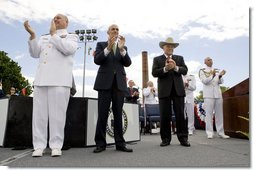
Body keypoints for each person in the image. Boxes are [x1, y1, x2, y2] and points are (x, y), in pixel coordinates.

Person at [24, 14, 78, 157]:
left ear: (66, 22)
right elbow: (35, 53)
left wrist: (54, 34)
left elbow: (67, 49)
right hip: (42, 80)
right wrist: (33, 35)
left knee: (57, 116)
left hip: (60, 81)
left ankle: (56, 145)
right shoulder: (43, 37)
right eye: (54, 17)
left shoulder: (71, 37)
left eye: (59, 18)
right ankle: (39, 146)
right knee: (39, 116)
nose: (56, 19)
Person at [93, 24, 133, 153]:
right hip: (104, 84)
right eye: (113, 29)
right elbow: (97, 60)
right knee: (102, 114)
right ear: (108, 32)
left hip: (119, 85)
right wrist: (108, 48)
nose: (115, 31)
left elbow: (127, 63)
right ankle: (100, 143)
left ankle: (120, 143)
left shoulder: (123, 47)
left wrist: (122, 50)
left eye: (117, 29)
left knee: (118, 115)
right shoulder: (101, 44)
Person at [152, 37, 190, 147]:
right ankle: (165, 139)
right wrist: (165, 69)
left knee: (180, 115)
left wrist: (175, 67)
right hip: (164, 91)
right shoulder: (157, 59)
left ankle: (183, 138)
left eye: (172, 46)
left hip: (178, 90)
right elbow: (154, 73)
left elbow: (185, 70)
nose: (170, 48)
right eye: (168, 46)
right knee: (165, 115)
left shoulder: (179, 58)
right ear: (163, 47)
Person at [199, 57, 230, 139]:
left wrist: (220, 76)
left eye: (211, 59)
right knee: (208, 114)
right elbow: (205, 82)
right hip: (208, 95)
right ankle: (209, 132)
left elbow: (220, 82)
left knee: (219, 114)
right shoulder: (202, 70)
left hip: (218, 94)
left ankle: (221, 132)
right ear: (205, 62)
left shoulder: (216, 70)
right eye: (208, 60)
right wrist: (212, 75)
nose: (210, 61)